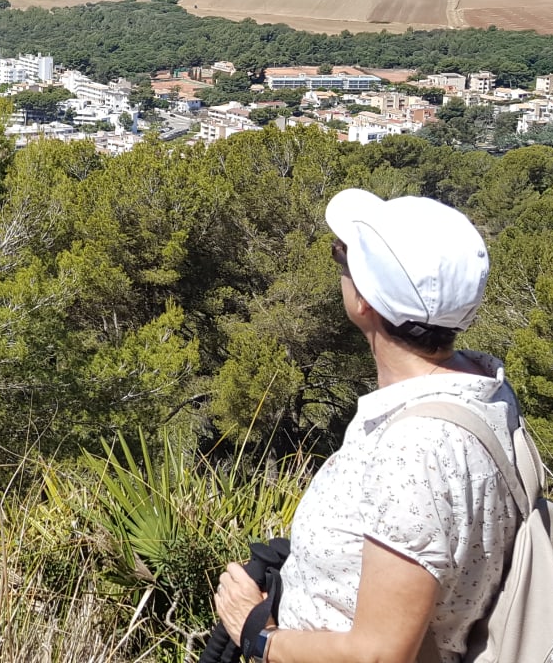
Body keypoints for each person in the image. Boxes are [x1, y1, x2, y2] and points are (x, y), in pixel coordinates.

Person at [213, 189, 524, 663]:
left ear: (365, 302)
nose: (337, 262)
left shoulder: (416, 448)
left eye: (341, 256)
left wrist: (257, 634)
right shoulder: (485, 388)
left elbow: (378, 655)